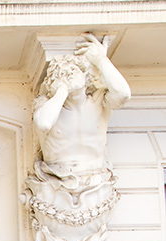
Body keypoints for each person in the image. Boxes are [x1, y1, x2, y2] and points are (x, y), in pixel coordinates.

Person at [33, 34, 131, 189]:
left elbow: (123, 94)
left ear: (85, 75)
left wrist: (100, 60)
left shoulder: (98, 102)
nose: (69, 75)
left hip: (97, 182)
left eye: (73, 70)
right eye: (62, 74)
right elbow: (44, 124)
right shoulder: (47, 106)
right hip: (57, 186)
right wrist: (63, 90)